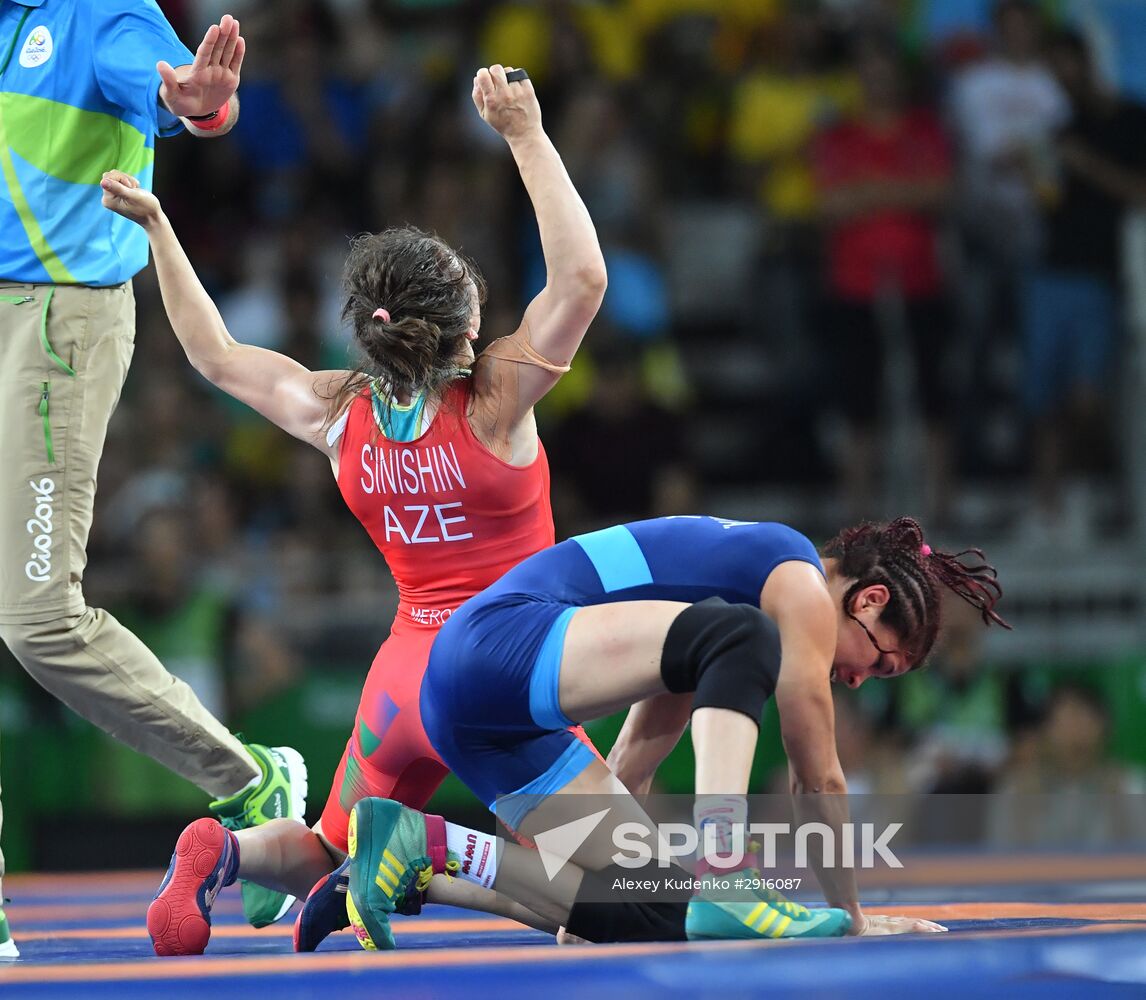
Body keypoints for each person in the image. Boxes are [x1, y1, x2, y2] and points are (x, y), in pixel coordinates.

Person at [100, 62, 609, 955]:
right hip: (502, 674)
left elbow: (216, 355)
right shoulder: (493, 402)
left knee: (330, 845)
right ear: (459, 330)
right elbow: (581, 284)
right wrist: (527, 135)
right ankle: (425, 860)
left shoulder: (341, 413)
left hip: (402, 675)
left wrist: (159, 228)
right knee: (623, 887)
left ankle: (223, 848)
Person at [0, 5, 306, 959]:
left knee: (36, 616)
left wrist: (199, 104)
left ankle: (250, 776)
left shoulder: (98, 14)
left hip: (54, 325)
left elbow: (179, 94)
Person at [338, 514, 1008, 947]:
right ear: (869, 599)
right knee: (749, 638)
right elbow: (818, 776)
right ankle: (726, 868)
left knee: (656, 907)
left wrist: (595, 901)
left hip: (480, 714)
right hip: (495, 640)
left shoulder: (699, 639)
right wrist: (855, 921)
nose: (859, 681)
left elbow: (634, 756)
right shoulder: (795, 582)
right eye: (878, 663)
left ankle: (415, 850)